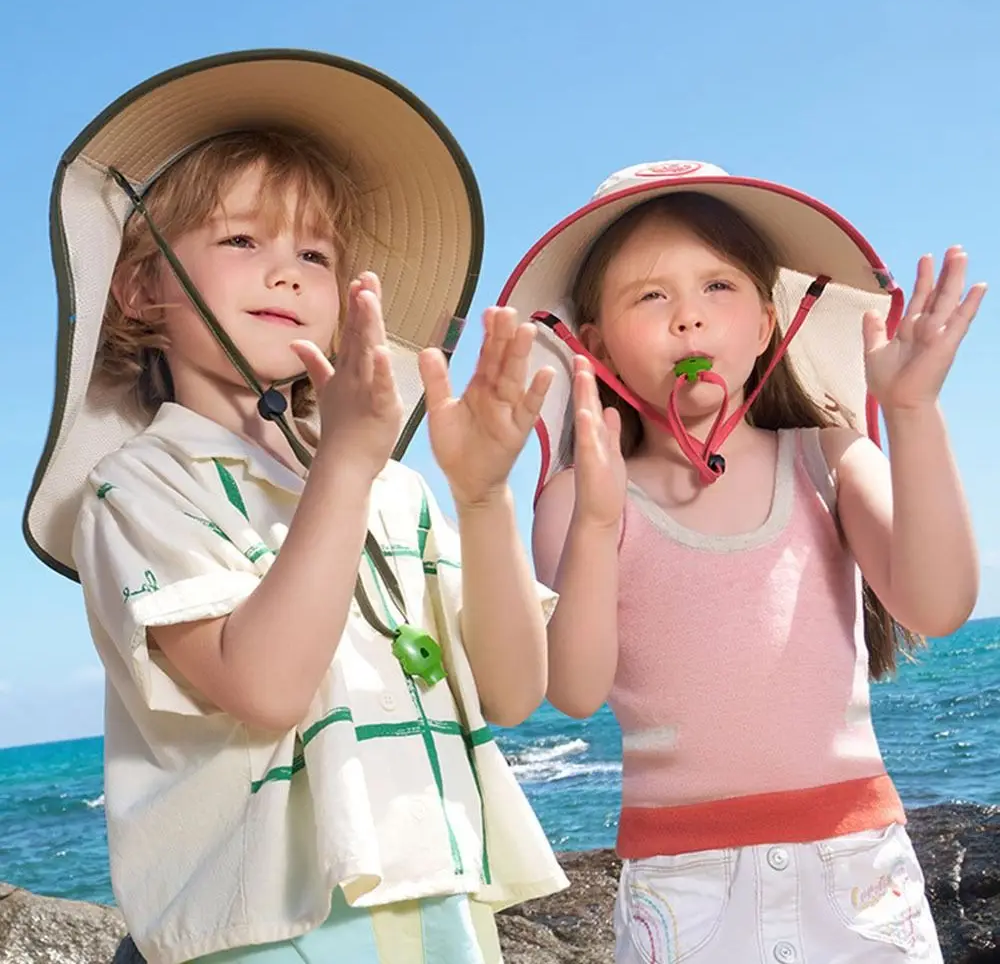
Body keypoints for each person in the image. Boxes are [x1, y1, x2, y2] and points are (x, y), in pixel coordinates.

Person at [22, 49, 566, 964]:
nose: (287, 274)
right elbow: (266, 689)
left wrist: (479, 497)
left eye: (314, 254)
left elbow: (515, 691)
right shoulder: (140, 487)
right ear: (141, 287)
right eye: (243, 241)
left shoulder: (396, 488)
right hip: (274, 924)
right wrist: (346, 464)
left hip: (441, 893)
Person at [500, 159, 983, 962]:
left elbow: (938, 604)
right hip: (682, 882)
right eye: (650, 296)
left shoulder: (827, 454)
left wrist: (912, 411)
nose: (688, 320)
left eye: (717, 288)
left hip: (855, 864)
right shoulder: (579, 498)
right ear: (593, 347)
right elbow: (575, 690)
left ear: (765, 323)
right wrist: (595, 518)